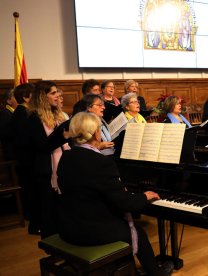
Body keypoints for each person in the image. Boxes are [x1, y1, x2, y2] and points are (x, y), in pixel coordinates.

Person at [57, 112, 173, 276]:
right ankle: (154, 273)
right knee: (138, 233)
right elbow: (124, 203)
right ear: (97, 133)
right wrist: (144, 196)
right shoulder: (101, 162)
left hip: (69, 225)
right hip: (89, 231)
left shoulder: (66, 157)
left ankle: (130, 269)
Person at [26, 80, 71, 238]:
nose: (58, 95)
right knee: (48, 210)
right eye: (53, 93)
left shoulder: (56, 115)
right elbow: (41, 146)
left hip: (62, 166)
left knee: (61, 208)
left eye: (57, 92)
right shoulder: (33, 118)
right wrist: (62, 136)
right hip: (45, 170)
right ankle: (51, 243)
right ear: (42, 97)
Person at [10, 83, 36, 233]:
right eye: (33, 95)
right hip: (27, 159)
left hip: (28, 158)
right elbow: (25, 139)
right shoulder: (22, 113)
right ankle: (34, 222)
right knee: (31, 191)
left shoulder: (24, 112)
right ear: (26, 98)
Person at [0, 89, 18, 160]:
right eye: (16, 96)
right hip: (13, 154)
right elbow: (5, 134)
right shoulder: (5, 114)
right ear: (9, 101)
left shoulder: (16, 112)